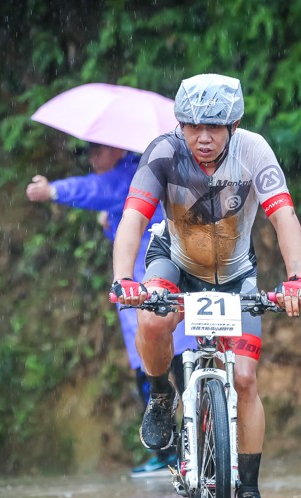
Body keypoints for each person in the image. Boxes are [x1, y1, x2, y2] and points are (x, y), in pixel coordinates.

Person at [110, 74, 301, 498]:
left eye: (215, 127)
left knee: (244, 376)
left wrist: (297, 279)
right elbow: (133, 219)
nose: (203, 138)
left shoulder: (255, 151)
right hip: (175, 260)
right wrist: (123, 279)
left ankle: (248, 494)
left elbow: (284, 217)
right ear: (179, 125)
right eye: (193, 126)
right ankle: (162, 393)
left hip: (236, 271)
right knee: (153, 320)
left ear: (234, 124)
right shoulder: (162, 152)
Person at [25, 143, 196, 476]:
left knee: (155, 372)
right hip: (180, 275)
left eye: (96, 151)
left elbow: (92, 190)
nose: (92, 159)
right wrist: (112, 220)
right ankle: (187, 450)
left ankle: (169, 454)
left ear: (117, 149)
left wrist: (52, 190)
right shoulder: (161, 174)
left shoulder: (127, 177)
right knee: (183, 367)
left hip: (148, 284)